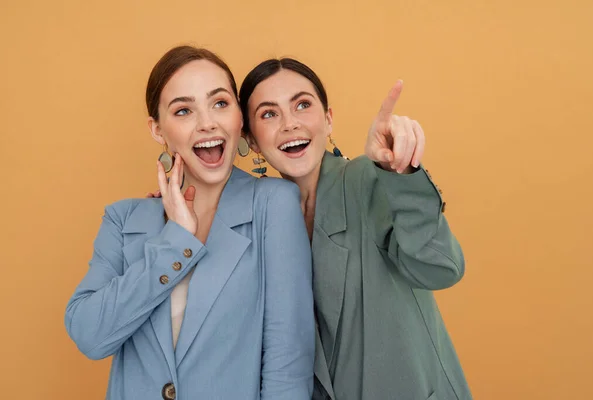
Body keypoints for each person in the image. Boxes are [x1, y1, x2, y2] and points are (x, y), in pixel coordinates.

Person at [65, 46, 315, 400]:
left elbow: (288, 365)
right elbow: (89, 335)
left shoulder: (272, 205)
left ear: (239, 118)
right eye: (183, 110)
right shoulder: (123, 219)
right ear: (157, 129)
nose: (207, 123)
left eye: (220, 103)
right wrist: (175, 242)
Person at [238, 58, 472, 400]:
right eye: (268, 114)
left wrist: (401, 175)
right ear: (252, 140)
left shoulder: (368, 179)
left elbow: (441, 268)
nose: (290, 124)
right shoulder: (263, 220)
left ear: (328, 118)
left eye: (302, 105)